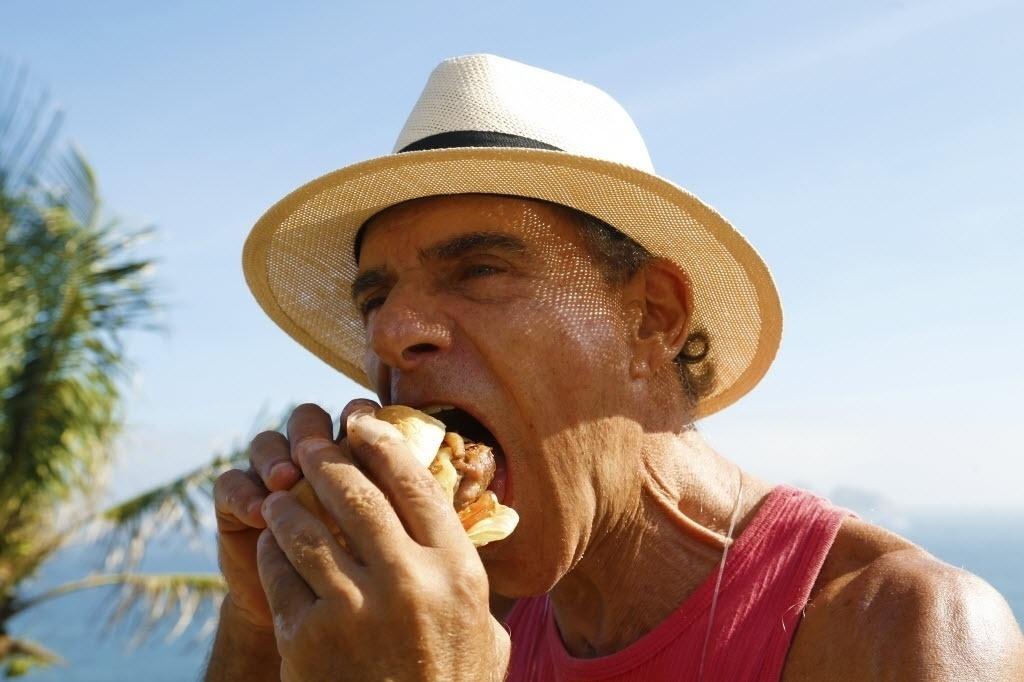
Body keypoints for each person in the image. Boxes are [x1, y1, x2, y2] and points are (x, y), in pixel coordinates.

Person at [205, 54, 1023, 680]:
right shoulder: (451, 592)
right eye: (375, 297)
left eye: (480, 270)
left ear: (653, 316)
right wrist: (256, 626)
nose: (390, 333)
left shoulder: (901, 630)